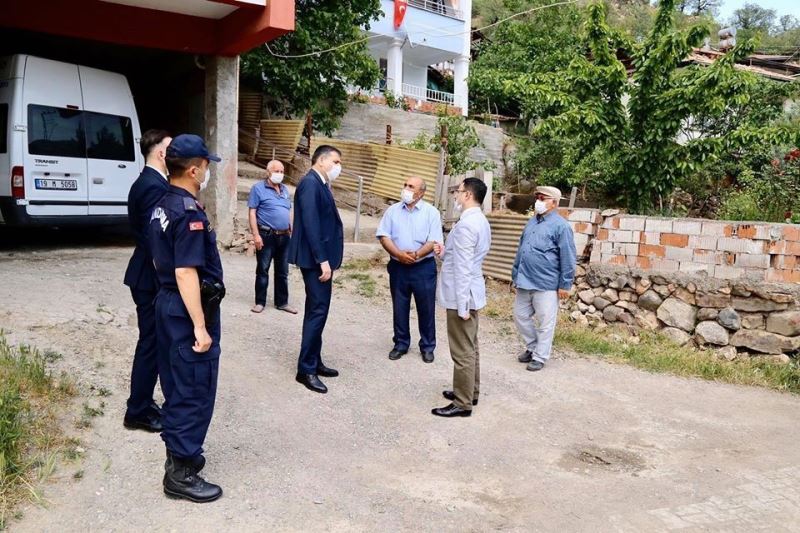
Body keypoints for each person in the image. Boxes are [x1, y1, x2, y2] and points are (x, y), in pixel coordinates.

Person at [148, 134, 225, 503]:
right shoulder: (188, 212)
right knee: (193, 389)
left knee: (177, 384)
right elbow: (185, 271)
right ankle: (180, 474)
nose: (208, 172)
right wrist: (199, 325)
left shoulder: (163, 204)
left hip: (167, 304)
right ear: (194, 170)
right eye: (206, 166)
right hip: (185, 309)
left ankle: (182, 456)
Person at [122, 129, 171, 432]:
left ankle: (143, 402)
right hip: (148, 278)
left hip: (146, 275)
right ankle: (137, 411)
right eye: (171, 148)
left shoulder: (151, 181)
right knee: (150, 344)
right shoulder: (152, 186)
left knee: (152, 342)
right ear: (161, 153)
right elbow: (156, 239)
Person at [431, 178, 491, 418]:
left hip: (462, 295)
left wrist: (463, 305)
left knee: (462, 350)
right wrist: (445, 253)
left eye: (458, 191)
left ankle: (462, 402)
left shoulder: (467, 224)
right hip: (469, 291)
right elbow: (465, 256)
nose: (455, 195)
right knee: (470, 346)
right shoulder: (478, 220)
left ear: (468, 195)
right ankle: (469, 391)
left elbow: (464, 268)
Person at [287, 145, 344, 394]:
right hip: (315, 261)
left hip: (318, 259)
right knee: (317, 311)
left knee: (318, 311)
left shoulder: (320, 183)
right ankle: (306, 369)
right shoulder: (310, 183)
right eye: (336, 161)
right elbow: (311, 224)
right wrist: (322, 260)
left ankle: (314, 359)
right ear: (321, 161)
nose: (339, 167)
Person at [376, 176, 443, 363]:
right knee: (399, 306)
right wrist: (399, 254)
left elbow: (433, 240)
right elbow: (384, 236)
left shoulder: (431, 213)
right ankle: (401, 343)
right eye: (405, 185)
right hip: (398, 266)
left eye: (411, 186)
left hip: (423, 267)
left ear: (421, 193)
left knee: (426, 308)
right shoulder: (393, 211)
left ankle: (427, 346)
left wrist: (416, 255)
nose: (405, 188)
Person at [511, 186, 576, 372]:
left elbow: (568, 257)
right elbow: (522, 250)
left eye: (543, 198)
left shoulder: (561, 226)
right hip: (525, 280)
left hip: (547, 283)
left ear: (554, 203)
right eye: (537, 197)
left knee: (546, 322)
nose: (538, 201)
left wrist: (565, 284)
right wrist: (515, 275)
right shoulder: (532, 222)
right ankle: (533, 347)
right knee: (520, 316)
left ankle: (540, 357)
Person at [248, 159, 297, 314]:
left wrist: (291, 228)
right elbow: (252, 212)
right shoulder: (258, 189)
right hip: (266, 234)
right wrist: (256, 235)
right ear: (268, 172)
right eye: (276, 171)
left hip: (284, 236)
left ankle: (282, 302)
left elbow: (289, 210)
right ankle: (260, 302)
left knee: (283, 271)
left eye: (282, 171)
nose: (280, 174)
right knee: (263, 269)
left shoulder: (285, 190)